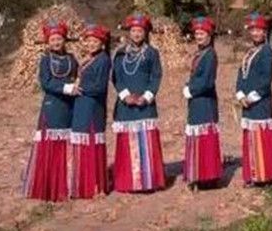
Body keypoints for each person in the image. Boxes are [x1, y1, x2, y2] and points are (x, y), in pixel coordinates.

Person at [23, 20, 78, 201]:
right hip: (53, 105)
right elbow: (46, 83)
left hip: (69, 106)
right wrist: (67, 88)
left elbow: (77, 77)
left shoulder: (72, 59)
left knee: (67, 142)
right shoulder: (45, 60)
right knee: (51, 143)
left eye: (59, 39)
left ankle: (66, 183)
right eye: (53, 39)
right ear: (48, 42)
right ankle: (49, 186)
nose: (56, 42)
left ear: (64, 40)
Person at [111, 13, 166, 192]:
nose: (136, 34)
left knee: (146, 142)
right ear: (129, 32)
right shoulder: (120, 54)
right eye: (133, 30)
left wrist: (147, 96)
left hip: (145, 105)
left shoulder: (152, 53)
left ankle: (148, 182)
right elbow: (116, 77)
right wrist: (125, 96)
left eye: (140, 31)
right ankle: (127, 182)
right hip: (125, 106)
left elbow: (156, 76)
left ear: (145, 32)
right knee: (127, 143)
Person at [235, 12, 272, 185]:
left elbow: (265, 80)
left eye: (259, 30)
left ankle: (265, 175)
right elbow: (241, 74)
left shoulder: (267, 52)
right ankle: (253, 174)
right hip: (247, 103)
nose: (255, 33)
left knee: (260, 137)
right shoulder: (249, 52)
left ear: (265, 32)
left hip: (260, 102)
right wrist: (240, 94)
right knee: (250, 138)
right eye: (252, 30)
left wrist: (251, 97)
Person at [70, 23, 111, 199]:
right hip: (82, 105)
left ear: (102, 43)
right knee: (82, 144)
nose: (91, 44)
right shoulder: (90, 58)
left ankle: (93, 185)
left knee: (91, 144)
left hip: (92, 106)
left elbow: (100, 87)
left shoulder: (103, 60)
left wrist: (80, 88)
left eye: (95, 41)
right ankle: (82, 184)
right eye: (89, 41)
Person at [183, 15, 223, 189]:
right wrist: (188, 85)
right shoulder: (200, 53)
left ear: (209, 35)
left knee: (204, 136)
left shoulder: (210, 55)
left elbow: (207, 81)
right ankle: (197, 174)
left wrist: (191, 90)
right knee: (196, 136)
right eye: (197, 34)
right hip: (196, 101)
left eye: (202, 34)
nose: (199, 37)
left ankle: (208, 176)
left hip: (205, 101)